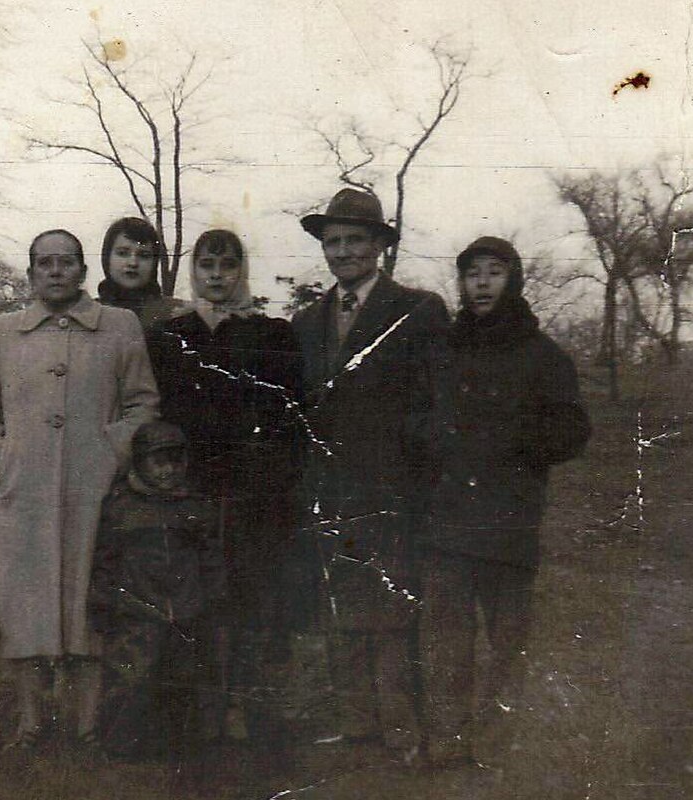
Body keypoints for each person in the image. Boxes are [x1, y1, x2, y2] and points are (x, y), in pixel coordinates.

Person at [0, 229, 159, 749]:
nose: (55, 272)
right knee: (21, 606)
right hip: (22, 494)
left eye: (66, 262)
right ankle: (30, 723)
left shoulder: (119, 326)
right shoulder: (2, 331)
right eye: (44, 263)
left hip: (94, 494)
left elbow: (143, 404)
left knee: (88, 607)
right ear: (29, 274)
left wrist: (112, 453)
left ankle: (88, 724)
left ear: (83, 271)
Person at [415, 236, 591, 768]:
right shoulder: (443, 350)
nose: (482, 284)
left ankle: (493, 747)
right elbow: (418, 421)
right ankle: (447, 743)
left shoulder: (543, 355)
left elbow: (572, 431)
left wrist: (516, 441)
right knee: (447, 644)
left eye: (494, 272)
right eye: (472, 274)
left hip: (509, 525)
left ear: (512, 279)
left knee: (506, 644)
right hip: (447, 523)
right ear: (461, 283)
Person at [291, 188, 449, 754]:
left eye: (355, 239)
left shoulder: (418, 310)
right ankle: (357, 725)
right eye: (332, 242)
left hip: (391, 492)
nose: (342, 252)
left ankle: (402, 728)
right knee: (343, 611)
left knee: (392, 613)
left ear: (380, 244)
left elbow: (437, 408)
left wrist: (412, 478)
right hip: (330, 494)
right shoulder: (307, 322)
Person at [146, 228, 303, 745]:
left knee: (245, 600)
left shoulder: (271, 334)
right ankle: (194, 712)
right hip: (190, 488)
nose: (217, 277)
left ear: (242, 272)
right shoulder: (170, 337)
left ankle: (244, 707)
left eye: (228, 266)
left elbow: (288, 415)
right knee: (192, 600)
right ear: (194, 271)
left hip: (251, 493)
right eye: (208, 266)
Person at [89, 421, 225, 761]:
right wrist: (102, 602)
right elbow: (105, 560)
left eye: (175, 462)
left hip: (186, 609)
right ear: (139, 464)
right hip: (136, 611)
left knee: (183, 678)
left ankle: (180, 747)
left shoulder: (194, 505)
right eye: (158, 462)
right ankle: (119, 747)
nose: (168, 470)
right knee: (131, 678)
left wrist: (214, 595)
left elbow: (210, 556)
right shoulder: (121, 507)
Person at [95, 216, 180, 328]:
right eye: (123, 253)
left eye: (144, 255)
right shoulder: (87, 313)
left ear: (154, 262)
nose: (133, 263)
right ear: (107, 258)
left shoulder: (176, 314)